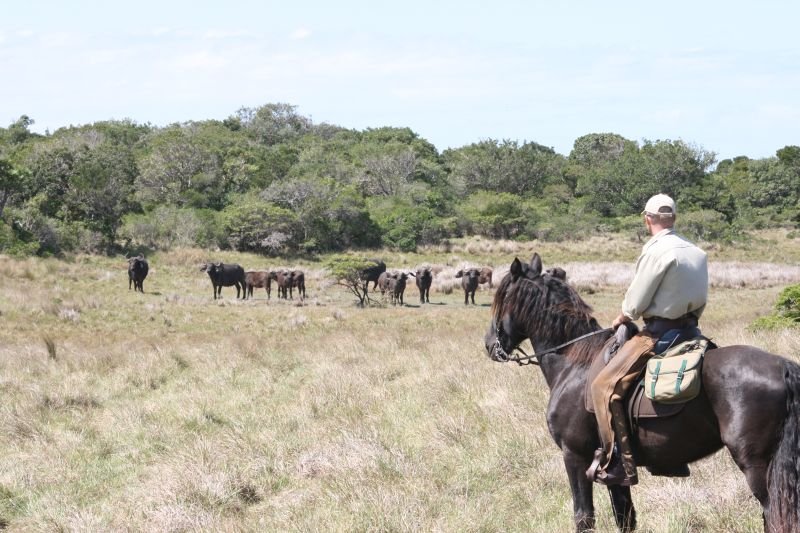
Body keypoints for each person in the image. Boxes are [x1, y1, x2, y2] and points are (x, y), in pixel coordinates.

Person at [586, 193, 708, 486]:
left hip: (659, 334)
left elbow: (637, 301)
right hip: (692, 332)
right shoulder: (697, 252)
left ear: (647, 219)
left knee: (603, 386)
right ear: (674, 218)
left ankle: (617, 462)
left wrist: (622, 317)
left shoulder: (656, 251)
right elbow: (702, 297)